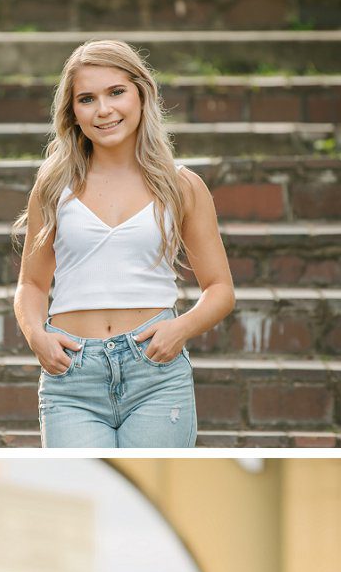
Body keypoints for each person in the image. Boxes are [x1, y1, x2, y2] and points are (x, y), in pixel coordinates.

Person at [13, 38, 235, 447]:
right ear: (72, 112)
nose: (104, 110)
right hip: (72, 377)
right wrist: (36, 337)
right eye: (87, 99)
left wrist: (180, 329)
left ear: (141, 93)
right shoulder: (53, 185)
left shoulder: (181, 185)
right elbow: (32, 285)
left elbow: (220, 289)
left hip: (155, 373)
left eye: (116, 92)